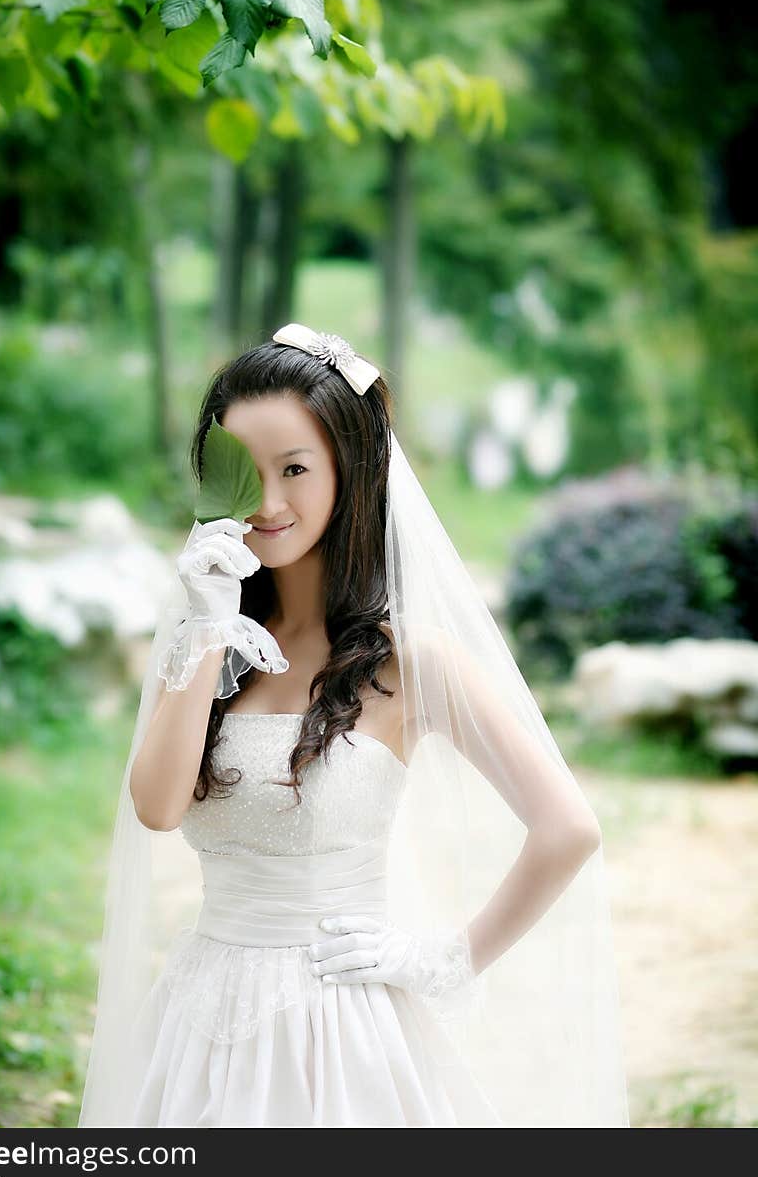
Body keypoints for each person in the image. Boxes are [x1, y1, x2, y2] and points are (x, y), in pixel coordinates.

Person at [78, 324, 630, 1128]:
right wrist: (206, 627)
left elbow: (567, 829)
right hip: (201, 1017)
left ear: (351, 472)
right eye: (240, 473)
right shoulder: (209, 641)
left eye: (295, 470)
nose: (266, 503)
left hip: (340, 1030)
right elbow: (158, 808)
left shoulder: (412, 660)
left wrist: (445, 959)